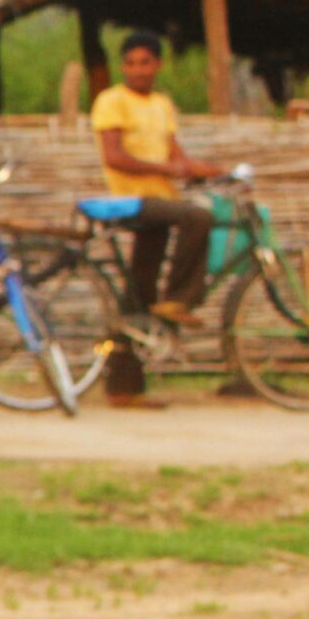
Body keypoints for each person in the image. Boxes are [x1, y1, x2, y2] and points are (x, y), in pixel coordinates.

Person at [92, 32, 224, 410]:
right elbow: (113, 157)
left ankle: (123, 388)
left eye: (145, 62)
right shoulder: (112, 100)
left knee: (137, 295)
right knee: (198, 217)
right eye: (131, 63)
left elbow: (177, 157)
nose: (138, 70)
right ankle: (180, 299)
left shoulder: (162, 105)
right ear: (123, 67)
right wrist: (166, 167)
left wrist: (211, 171)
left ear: (157, 65)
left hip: (162, 202)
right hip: (132, 202)